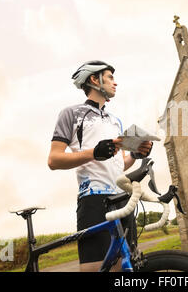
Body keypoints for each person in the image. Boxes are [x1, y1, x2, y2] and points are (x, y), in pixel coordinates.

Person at [48, 60, 153, 272]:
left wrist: (135, 153)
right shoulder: (71, 114)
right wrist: (93, 152)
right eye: (110, 77)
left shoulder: (116, 121)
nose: (115, 83)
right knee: (95, 269)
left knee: (128, 267)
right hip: (94, 199)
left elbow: (118, 164)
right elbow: (54, 159)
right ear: (95, 80)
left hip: (123, 198)